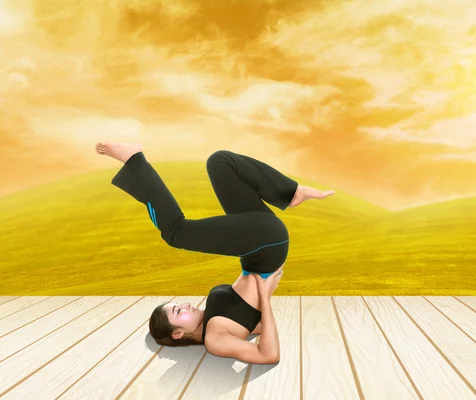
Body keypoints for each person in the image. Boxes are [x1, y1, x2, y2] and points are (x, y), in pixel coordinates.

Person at [95, 142, 335, 364]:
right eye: (178, 311)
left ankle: (292, 192)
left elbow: (256, 325)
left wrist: (262, 296)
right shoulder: (214, 341)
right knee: (175, 233)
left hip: (261, 244)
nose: (186, 305)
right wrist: (265, 295)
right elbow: (269, 355)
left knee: (220, 162)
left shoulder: (215, 323)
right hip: (266, 246)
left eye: (179, 305)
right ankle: (134, 159)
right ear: (177, 333)